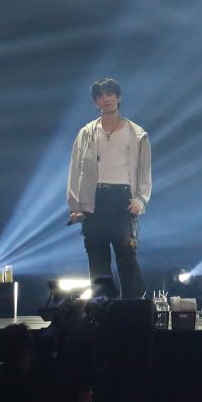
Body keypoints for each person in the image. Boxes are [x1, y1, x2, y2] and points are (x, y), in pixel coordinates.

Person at [67, 78, 151, 299]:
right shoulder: (86, 132)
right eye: (100, 96)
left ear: (118, 97)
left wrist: (140, 200)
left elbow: (145, 170)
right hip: (94, 199)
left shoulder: (136, 133)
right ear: (96, 102)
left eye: (109, 94)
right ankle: (102, 308)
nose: (105, 99)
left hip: (122, 197)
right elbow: (75, 170)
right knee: (97, 258)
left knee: (127, 255)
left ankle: (132, 306)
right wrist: (75, 206)